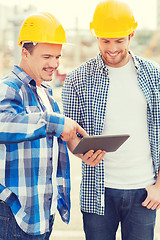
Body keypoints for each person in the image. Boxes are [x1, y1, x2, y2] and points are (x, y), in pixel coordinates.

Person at [62, 1, 160, 239]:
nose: (112, 48)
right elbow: (71, 135)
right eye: (106, 41)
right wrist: (80, 152)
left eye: (119, 40)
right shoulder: (77, 78)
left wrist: (159, 187)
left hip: (144, 192)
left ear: (131, 35)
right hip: (98, 191)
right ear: (96, 36)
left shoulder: (154, 75)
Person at [0, 12, 89, 240]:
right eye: (47, 56)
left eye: (58, 56)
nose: (55, 64)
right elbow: (4, 124)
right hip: (14, 212)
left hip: (43, 212)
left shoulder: (46, 94)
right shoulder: (9, 88)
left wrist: (83, 150)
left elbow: (57, 136)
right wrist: (55, 121)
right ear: (25, 52)